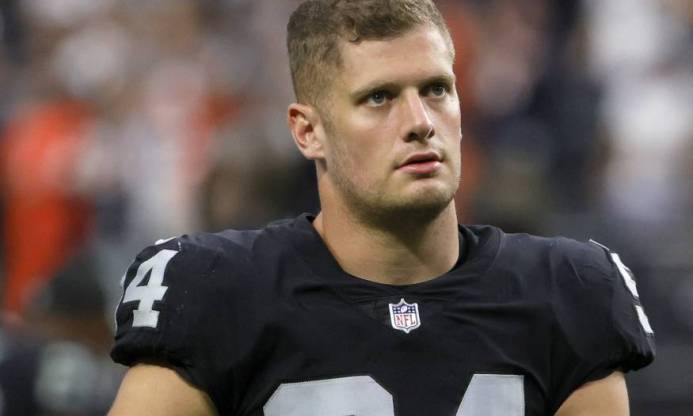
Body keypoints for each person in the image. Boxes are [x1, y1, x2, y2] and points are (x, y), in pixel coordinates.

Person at [107, 1, 655, 415]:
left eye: (437, 89)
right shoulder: (215, 291)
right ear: (308, 131)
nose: (420, 120)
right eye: (379, 97)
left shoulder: (569, 289)